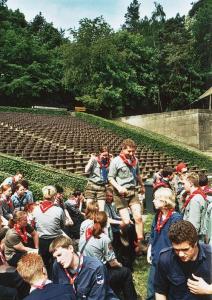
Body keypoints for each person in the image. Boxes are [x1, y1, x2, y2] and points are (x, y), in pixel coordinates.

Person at [79, 211, 138, 300]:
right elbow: (113, 263)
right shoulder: (104, 238)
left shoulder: (84, 234)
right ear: (106, 223)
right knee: (126, 272)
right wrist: (120, 265)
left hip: (85, 270)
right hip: (98, 273)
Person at [154, 220, 212, 300]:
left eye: (185, 249)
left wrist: (208, 289)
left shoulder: (210, 255)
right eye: (176, 249)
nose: (180, 254)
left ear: (195, 244)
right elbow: (160, 291)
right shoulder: (165, 258)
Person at [50, 235, 118, 300]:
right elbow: (58, 292)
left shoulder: (95, 268)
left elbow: (97, 297)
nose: (58, 260)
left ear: (70, 248)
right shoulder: (57, 266)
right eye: (55, 257)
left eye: (59, 255)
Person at [108, 138, 145, 252]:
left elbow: (137, 174)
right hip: (120, 194)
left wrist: (142, 185)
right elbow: (110, 178)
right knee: (127, 221)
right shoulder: (116, 161)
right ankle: (122, 232)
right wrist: (119, 187)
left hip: (132, 191)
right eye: (129, 151)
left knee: (138, 217)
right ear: (123, 149)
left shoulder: (135, 160)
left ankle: (140, 243)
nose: (131, 154)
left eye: (133, 151)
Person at [146, 188, 182, 300]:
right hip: (156, 258)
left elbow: (178, 241)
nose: (153, 201)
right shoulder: (158, 216)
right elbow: (152, 235)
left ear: (164, 201)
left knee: (167, 289)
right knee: (152, 288)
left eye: (156, 199)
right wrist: (149, 249)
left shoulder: (175, 218)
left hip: (169, 261)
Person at [32, 185, 66, 277]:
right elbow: (62, 225)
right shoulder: (58, 210)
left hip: (41, 241)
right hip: (55, 241)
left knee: (44, 264)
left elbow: (33, 225)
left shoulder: (35, 209)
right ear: (54, 196)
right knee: (57, 264)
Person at [85, 146, 111, 211]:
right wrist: (91, 159)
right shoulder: (94, 160)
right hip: (92, 185)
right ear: (99, 153)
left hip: (102, 186)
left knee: (101, 209)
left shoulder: (108, 163)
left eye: (106, 155)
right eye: (103, 155)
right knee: (89, 207)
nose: (105, 157)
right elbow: (86, 171)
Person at [182, 173, 208, 240]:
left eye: (184, 183)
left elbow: (193, 226)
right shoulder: (198, 195)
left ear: (191, 183)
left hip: (193, 238)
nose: (183, 186)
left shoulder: (195, 200)